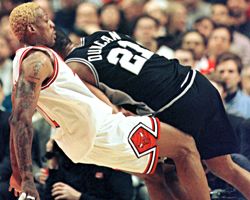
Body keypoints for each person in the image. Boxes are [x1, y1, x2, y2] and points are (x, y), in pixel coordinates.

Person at [8, 3, 210, 200]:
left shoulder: (19, 64)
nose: (52, 24)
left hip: (81, 145)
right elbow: (21, 120)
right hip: (105, 131)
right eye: (45, 20)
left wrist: (18, 173)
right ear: (32, 28)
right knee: (185, 147)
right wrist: (27, 179)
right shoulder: (38, 61)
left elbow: (16, 119)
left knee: (155, 175)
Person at [53, 25, 250, 200]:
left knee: (157, 171)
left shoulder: (74, 69)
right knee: (224, 167)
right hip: (194, 81)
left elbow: (111, 109)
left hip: (172, 103)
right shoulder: (101, 35)